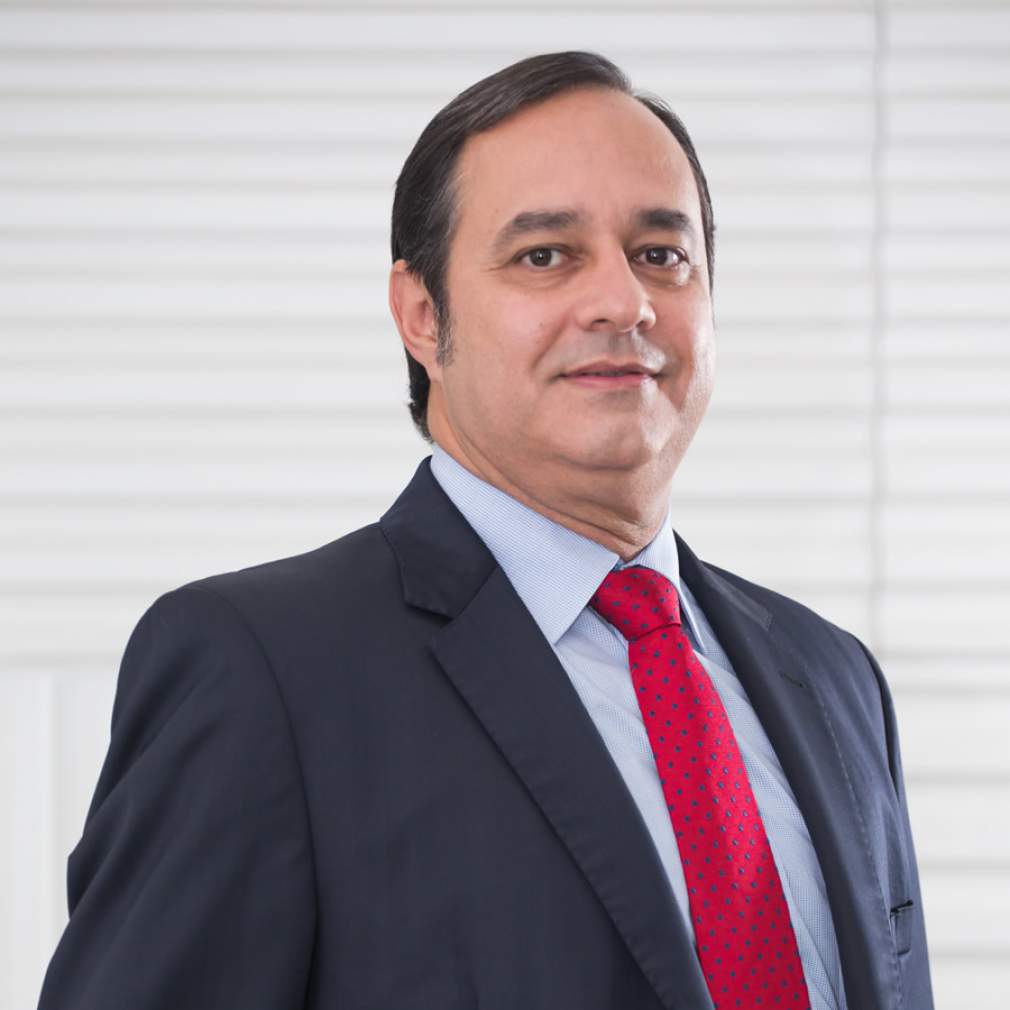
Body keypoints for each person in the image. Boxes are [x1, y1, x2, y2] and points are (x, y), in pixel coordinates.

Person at [38, 51, 933, 1010]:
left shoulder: (834, 678)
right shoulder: (262, 672)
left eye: (661, 255)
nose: (624, 302)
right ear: (423, 315)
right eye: (545, 255)